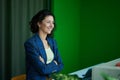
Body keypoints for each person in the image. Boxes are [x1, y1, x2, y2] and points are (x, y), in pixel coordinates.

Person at [24, 9, 64, 80]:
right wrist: (54, 63)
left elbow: (61, 65)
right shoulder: (31, 44)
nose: (52, 25)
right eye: (48, 22)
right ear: (39, 24)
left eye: (53, 22)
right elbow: (42, 70)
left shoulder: (53, 42)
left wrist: (45, 65)